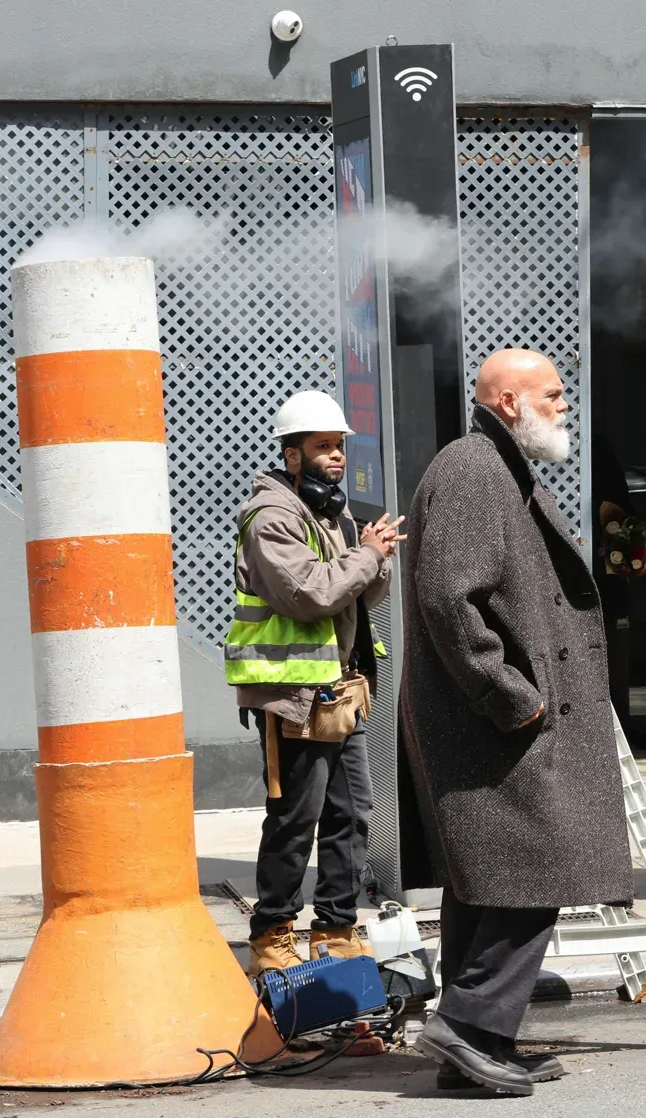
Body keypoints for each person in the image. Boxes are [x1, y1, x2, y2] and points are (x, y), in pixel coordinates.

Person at [400, 349, 631, 1097]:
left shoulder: (494, 464)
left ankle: (479, 1045)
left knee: (493, 877)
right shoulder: (472, 467)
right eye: (554, 395)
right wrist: (514, 698)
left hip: (497, 724)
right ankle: (467, 1024)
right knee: (537, 865)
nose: (566, 406)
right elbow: (446, 600)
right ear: (508, 400)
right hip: (494, 723)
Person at [223, 390, 404, 975]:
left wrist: (378, 557)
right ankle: (272, 932)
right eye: (322, 446)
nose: (335, 457)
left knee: (352, 815)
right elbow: (311, 595)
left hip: (339, 694)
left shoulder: (331, 514)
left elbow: (354, 591)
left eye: (339, 446)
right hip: (294, 698)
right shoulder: (273, 518)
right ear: (292, 455)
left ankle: (335, 929)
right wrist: (365, 557)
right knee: (295, 819)